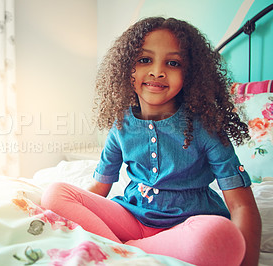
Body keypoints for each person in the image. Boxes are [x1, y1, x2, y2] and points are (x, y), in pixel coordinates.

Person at [41, 17, 261, 266]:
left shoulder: (205, 127)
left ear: (190, 74)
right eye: (145, 59)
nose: (157, 71)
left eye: (173, 62)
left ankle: (123, 249)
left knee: (223, 236)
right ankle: (128, 248)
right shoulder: (121, 124)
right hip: (133, 219)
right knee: (55, 193)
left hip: (188, 227)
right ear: (126, 68)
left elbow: (241, 206)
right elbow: (97, 191)